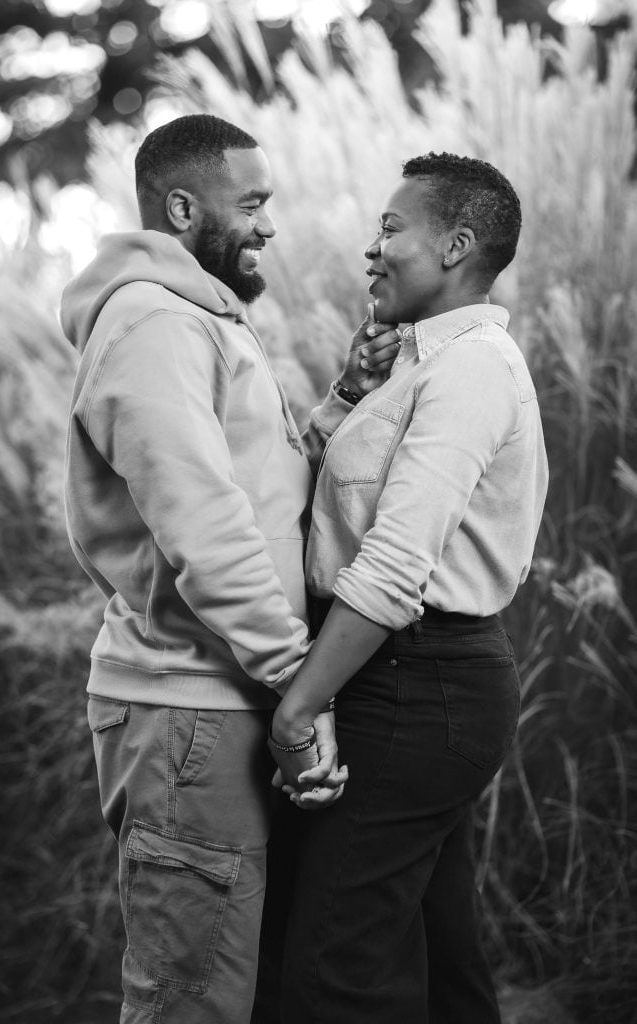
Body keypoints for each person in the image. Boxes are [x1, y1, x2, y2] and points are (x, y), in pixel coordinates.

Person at [60, 113, 397, 1024]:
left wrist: (342, 402)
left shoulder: (196, 317)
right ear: (182, 207)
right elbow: (203, 528)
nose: (268, 225)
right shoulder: (150, 322)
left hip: (219, 704)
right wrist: (301, 686)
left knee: (230, 990)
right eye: (251, 203)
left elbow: (256, 489)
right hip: (187, 716)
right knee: (189, 1002)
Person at [261, 152, 549, 1023]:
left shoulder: (471, 369)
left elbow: (392, 564)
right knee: (435, 955)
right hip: (407, 683)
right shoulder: (416, 366)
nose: (370, 248)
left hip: (417, 687)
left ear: (457, 244)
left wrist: (297, 706)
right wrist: (350, 389)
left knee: (330, 971)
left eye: (391, 227)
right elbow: (316, 501)